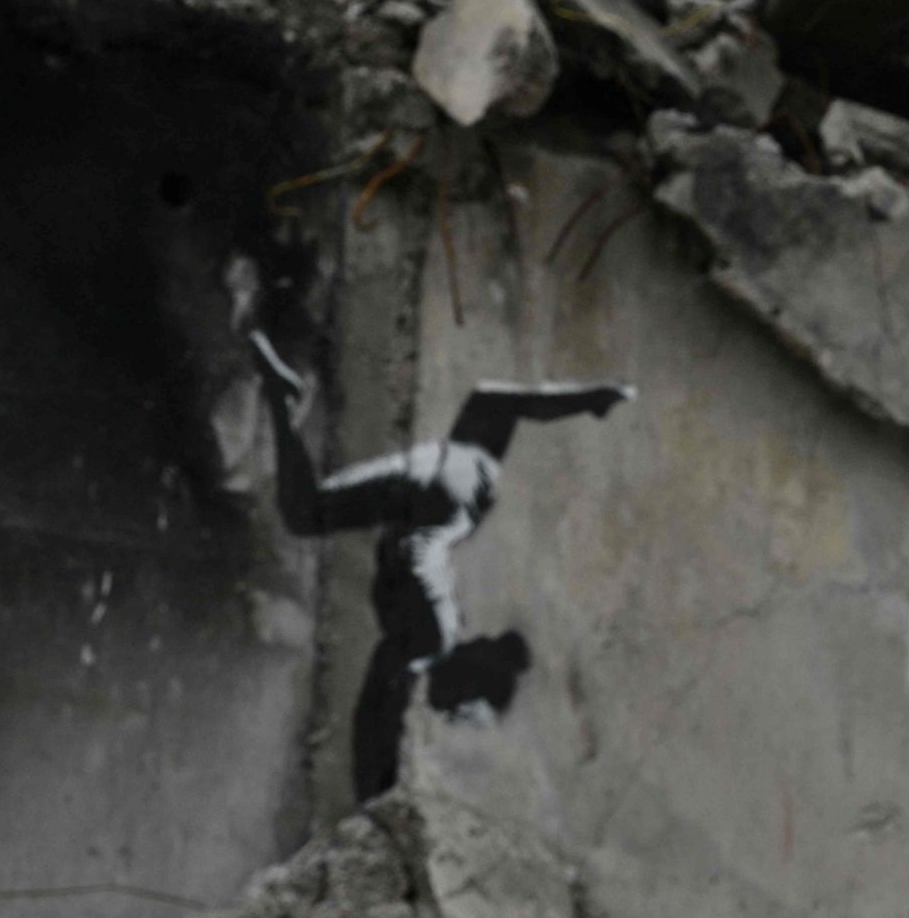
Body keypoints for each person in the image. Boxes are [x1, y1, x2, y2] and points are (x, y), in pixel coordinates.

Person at [249, 330, 633, 799]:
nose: (446, 711)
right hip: (425, 500)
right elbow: (376, 714)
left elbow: (493, 400)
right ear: (469, 674)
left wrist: (590, 398)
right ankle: (279, 396)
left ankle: (279, 395)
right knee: (306, 514)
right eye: (461, 705)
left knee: (306, 513)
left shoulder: (429, 625)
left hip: (427, 482)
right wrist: (376, 795)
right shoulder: (429, 636)